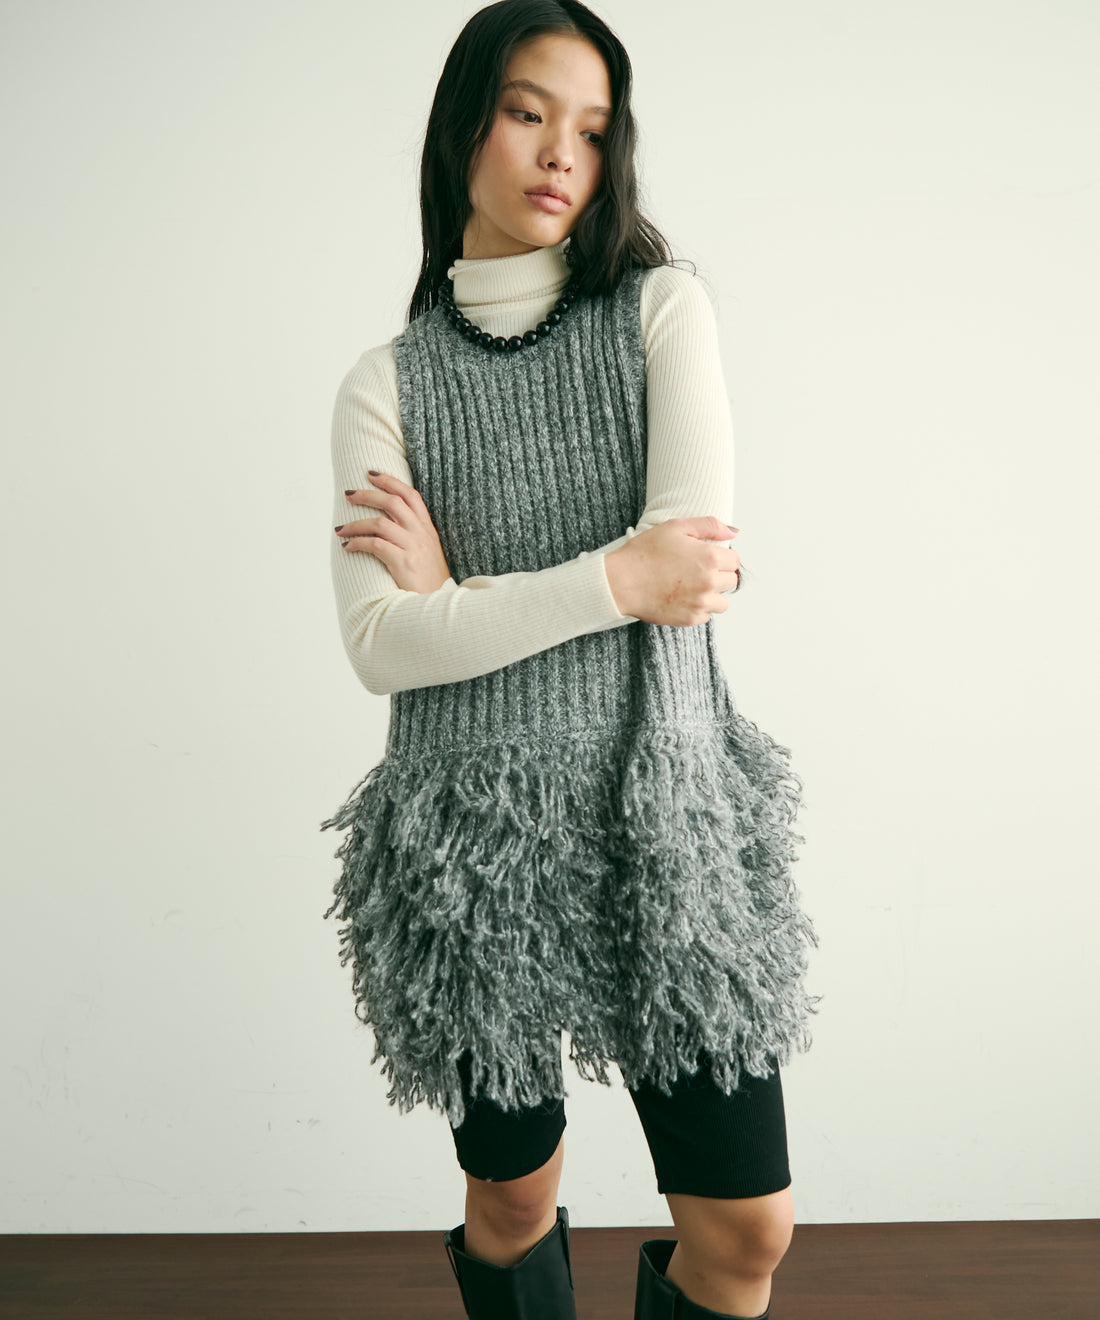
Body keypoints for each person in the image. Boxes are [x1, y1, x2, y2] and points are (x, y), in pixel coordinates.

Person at [320, 3, 822, 1317]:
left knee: (748, 1231)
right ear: (463, 130)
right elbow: (381, 646)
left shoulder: (662, 311)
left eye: (593, 131)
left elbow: (685, 576)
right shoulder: (386, 384)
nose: (561, 154)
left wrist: (463, 599)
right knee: (511, 1200)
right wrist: (609, 580)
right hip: (472, 836)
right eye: (529, 113)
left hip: (663, 815)